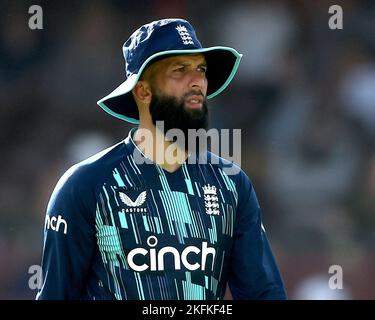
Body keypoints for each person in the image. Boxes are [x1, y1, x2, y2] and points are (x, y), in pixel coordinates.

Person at [36, 18, 287, 300]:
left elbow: (264, 294)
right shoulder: (85, 185)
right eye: (180, 70)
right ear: (143, 91)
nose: (197, 81)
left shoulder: (232, 184)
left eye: (201, 69)